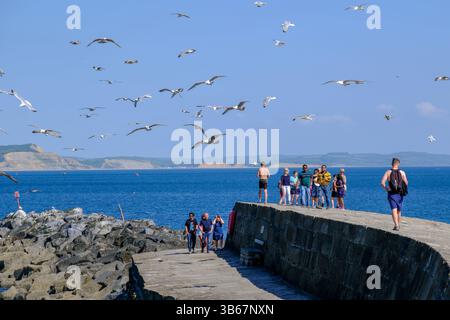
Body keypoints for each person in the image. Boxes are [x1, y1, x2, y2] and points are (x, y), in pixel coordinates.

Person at [381, 158, 408, 231]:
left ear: (392, 164)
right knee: (399, 210)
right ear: (398, 164)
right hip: (400, 194)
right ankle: (398, 225)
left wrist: (387, 189)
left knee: (394, 209)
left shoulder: (388, 172)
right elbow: (406, 183)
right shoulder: (402, 172)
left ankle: (396, 225)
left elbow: (382, 183)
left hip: (392, 193)